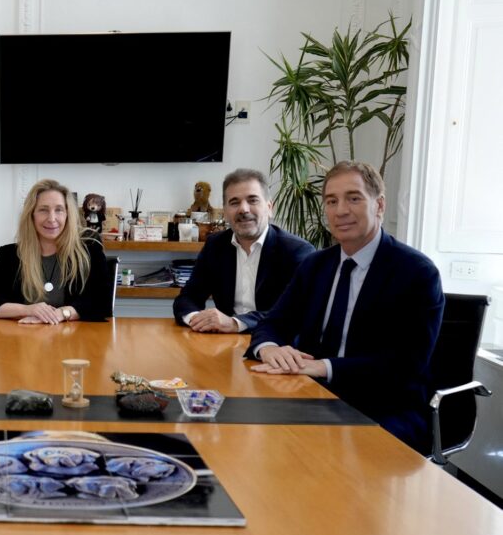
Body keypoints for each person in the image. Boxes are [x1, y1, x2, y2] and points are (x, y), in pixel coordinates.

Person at [248, 161, 444, 452]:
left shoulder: (416, 272)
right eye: (331, 201)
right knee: (245, 435)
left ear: (379, 205)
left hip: (385, 406)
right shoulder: (315, 265)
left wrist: (323, 367)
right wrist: (270, 349)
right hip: (311, 395)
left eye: (354, 198)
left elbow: (405, 365)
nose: (340, 210)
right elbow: (272, 323)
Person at [173, 168, 313, 333]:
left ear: (269, 208)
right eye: (234, 202)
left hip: (277, 344)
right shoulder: (216, 245)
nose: (243, 209)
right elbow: (189, 296)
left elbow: (294, 312)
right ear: (225, 212)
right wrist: (196, 319)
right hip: (225, 343)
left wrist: (235, 323)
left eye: (253, 200)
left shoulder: (296, 251)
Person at [0, 178, 111, 323]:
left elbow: (103, 304)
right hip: (26, 341)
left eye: (59, 210)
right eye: (43, 210)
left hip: (76, 341)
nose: (52, 218)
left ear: (68, 215)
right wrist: (28, 310)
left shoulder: (89, 249)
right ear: (31, 215)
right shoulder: (11, 255)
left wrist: (63, 313)